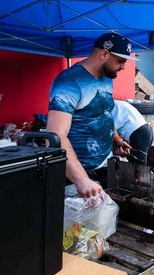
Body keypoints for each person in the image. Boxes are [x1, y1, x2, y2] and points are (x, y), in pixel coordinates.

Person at [47, 32, 133, 198]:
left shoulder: (107, 77)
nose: (123, 67)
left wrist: (116, 139)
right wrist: (81, 180)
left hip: (104, 166)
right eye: (120, 61)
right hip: (78, 173)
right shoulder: (69, 82)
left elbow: (104, 112)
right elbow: (55, 135)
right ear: (104, 54)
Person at [111, 100, 154, 165]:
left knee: (139, 170)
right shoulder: (115, 103)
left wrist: (117, 139)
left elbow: (108, 123)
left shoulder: (98, 107)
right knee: (135, 166)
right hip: (146, 130)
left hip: (138, 135)